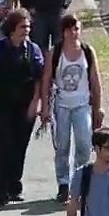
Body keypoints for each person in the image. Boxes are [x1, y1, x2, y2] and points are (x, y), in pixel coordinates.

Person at [0, 9, 45, 207]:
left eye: (28, 26)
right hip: (1, 105)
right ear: (12, 29)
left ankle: (14, 187)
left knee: (19, 148)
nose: (26, 30)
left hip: (25, 105)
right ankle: (1, 191)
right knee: (3, 147)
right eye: (22, 27)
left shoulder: (33, 50)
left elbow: (38, 79)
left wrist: (36, 102)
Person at [41, 13, 103, 203]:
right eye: (70, 29)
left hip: (82, 105)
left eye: (76, 29)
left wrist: (98, 108)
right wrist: (44, 107)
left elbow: (95, 81)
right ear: (63, 32)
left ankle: (80, 183)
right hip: (61, 106)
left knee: (84, 144)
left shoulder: (87, 52)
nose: (74, 33)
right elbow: (46, 80)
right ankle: (63, 183)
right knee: (63, 146)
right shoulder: (56, 52)